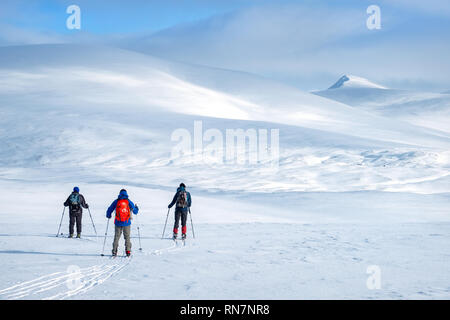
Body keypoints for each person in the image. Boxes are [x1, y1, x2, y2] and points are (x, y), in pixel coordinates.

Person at [106, 189, 139, 257]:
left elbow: (110, 209)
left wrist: (108, 215)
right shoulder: (128, 201)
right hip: (127, 222)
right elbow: (135, 212)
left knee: (116, 237)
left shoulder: (116, 201)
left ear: (119, 193)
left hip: (118, 222)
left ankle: (114, 251)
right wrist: (137, 208)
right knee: (127, 237)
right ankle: (128, 251)